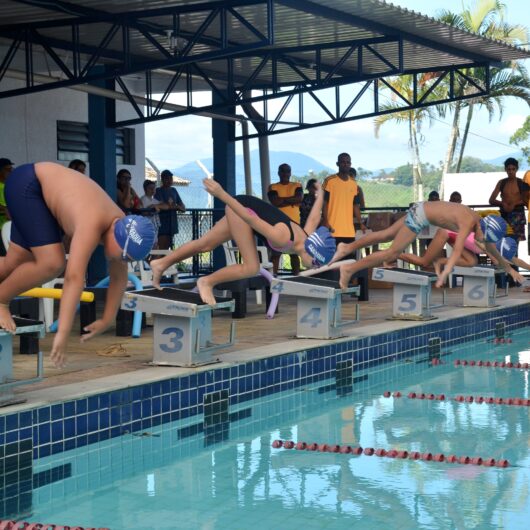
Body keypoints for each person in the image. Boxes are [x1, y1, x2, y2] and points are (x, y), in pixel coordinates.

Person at [0, 162, 156, 368]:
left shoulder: (120, 227)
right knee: (52, 262)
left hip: (39, 195)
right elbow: (74, 278)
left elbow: (119, 278)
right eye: (123, 256)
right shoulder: (92, 223)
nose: (122, 261)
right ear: (115, 236)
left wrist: (106, 320)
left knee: (15, 260)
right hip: (29, 184)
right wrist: (63, 333)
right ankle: (1, 301)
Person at [150, 179, 336, 305]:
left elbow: (313, 218)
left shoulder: (306, 237)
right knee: (251, 267)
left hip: (247, 210)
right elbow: (251, 220)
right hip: (244, 211)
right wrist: (222, 194)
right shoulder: (282, 237)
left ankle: (161, 264)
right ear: (311, 252)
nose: (314, 267)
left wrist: (320, 195)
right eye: (315, 263)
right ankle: (207, 282)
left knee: (205, 244)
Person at [331, 201, 524, 289]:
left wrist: (510, 270)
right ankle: (349, 269)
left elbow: (494, 253)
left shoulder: (478, 224)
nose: (482, 242)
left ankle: (347, 248)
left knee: (385, 234)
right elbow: (456, 251)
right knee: (391, 252)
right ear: (484, 229)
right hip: (420, 216)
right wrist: (443, 276)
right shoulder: (467, 221)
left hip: (421, 209)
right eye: (484, 238)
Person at [322, 153, 365, 260]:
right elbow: (324, 203)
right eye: (343, 162)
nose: (345, 164)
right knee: (332, 262)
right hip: (332, 230)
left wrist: (360, 223)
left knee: (347, 262)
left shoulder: (353, 184)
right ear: (337, 164)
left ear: (350, 164)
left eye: (348, 162)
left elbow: (355, 206)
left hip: (349, 231)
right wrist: (326, 222)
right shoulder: (330, 181)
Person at [267, 163, 303, 275]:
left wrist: (282, 200)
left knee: (294, 254)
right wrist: (292, 201)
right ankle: (273, 279)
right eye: (282, 171)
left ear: (290, 173)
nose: (285, 174)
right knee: (276, 254)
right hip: (278, 225)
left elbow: (299, 199)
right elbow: (275, 202)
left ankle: (296, 279)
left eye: (287, 171)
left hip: (294, 225)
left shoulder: (297, 185)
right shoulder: (273, 187)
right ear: (278, 173)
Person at [489, 157, 529, 245]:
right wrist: (502, 203)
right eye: (509, 169)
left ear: (517, 169)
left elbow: (527, 200)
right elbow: (491, 200)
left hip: (518, 215)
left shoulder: (521, 183)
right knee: (502, 242)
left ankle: (515, 258)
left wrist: (514, 203)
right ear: (505, 170)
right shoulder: (501, 183)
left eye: (513, 169)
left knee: (514, 243)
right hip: (504, 215)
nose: (511, 171)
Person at [155, 169, 186, 250]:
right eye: (167, 178)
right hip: (162, 224)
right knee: (161, 249)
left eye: (171, 179)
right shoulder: (158, 191)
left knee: (167, 248)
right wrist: (175, 207)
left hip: (172, 224)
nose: (169, 181)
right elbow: (163, 205)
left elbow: (183, 207)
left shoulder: (174, 190)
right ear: (162, 179)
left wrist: (177, 207)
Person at [140, 179, 169, 246]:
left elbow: (166, 206)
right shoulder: (143, 199)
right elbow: (143, 212)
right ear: (145, 189)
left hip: (154, 228)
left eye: (154, 188)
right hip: (146, 228)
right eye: (150, 188)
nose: (153, 190)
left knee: (155, 247)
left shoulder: (154, 200)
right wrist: (152, 208)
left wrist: (155, 205)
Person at [0, 158, 14, 256]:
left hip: (7, 226)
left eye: (11, 169)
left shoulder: (8, 185)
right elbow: (6, 209)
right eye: (7, 169)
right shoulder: (1, 186)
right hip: (2, 227)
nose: (11, 171)